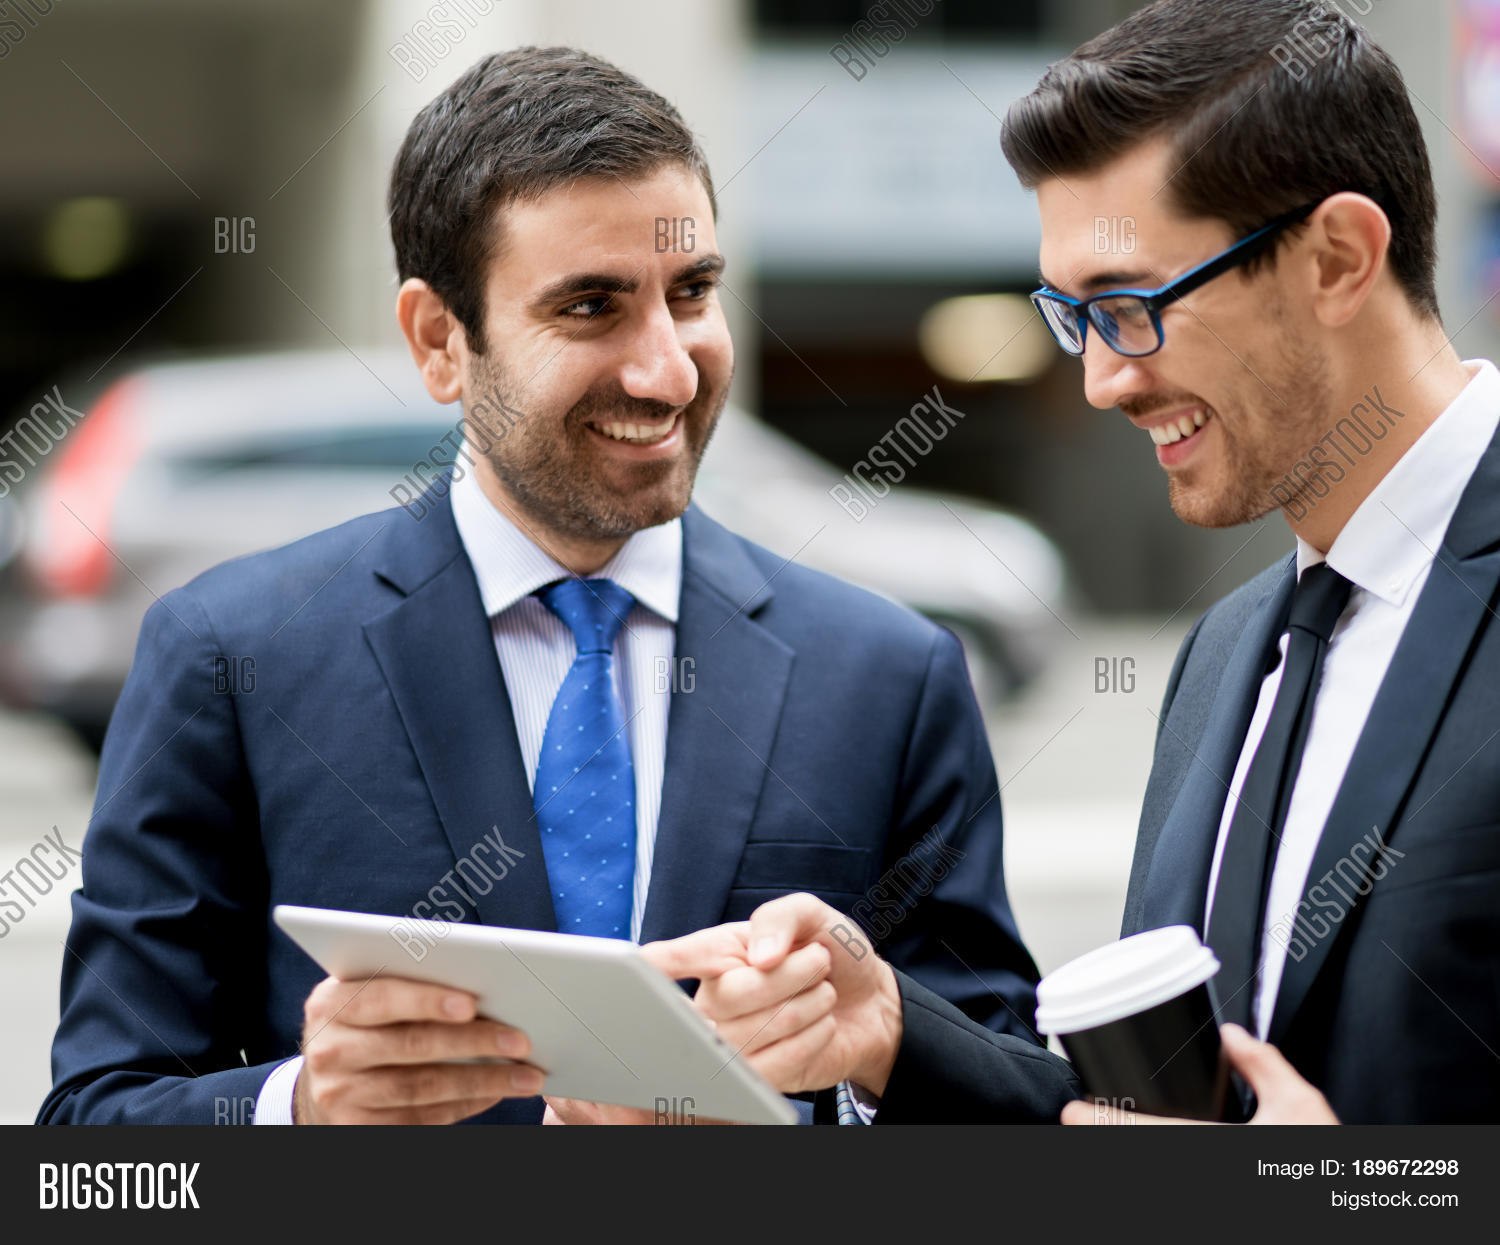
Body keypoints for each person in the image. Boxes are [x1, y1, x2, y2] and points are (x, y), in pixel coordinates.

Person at [38, 46, 1073, 1126]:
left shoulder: (889, 676)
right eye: (591, 307)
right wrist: (300, 1108)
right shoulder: (232, 658)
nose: (668, 370)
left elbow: (1008, 1096)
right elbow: (92, 1147)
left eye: (694, 293)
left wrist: (846, 1087)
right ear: (440, 341)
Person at [656, 0, 1500, 1124]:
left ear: (1338, 257)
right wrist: (896, 1033)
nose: (1104, 380)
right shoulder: (1227, 656)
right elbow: (1171, 1117)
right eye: (1074, 317)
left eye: (1134, 306)